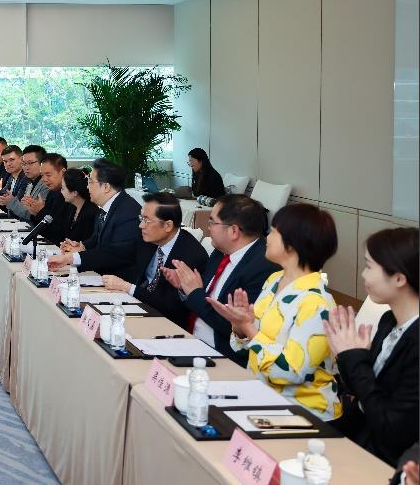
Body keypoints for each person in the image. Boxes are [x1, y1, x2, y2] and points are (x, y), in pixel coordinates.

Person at [209, 203, 343, 421]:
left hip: (303, 413)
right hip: (263, 397)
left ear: (293, 244)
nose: (267, 238)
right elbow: (251, 346)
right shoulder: (275, 280)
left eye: (273, 232)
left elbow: (290, 372)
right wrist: (240, 327)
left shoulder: (316, 303)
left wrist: (249, 330)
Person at [324, 227, 418, 464]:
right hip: (360, 439)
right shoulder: (389, 320)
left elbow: (392, 429)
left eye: (369, 266)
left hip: (389, 461)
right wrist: (346, 357)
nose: (363, 274)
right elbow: (364, 392)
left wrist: (354, 358)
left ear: (399, 278)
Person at [163, 194, 278, 363]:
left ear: (233, 231)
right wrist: (184, 286)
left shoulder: (263, 268)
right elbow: (201, 297)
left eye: (212, 222)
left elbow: (232, 326)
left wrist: (194, 292)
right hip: (190, 339)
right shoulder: (220, 251)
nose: (208, 228)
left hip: (222, 356)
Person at [101, 193, 208, 327]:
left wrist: (127, 287)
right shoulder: (149, 239)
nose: (141, 225)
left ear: (168, 225)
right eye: (141, 218)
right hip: (138, 307)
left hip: (167, 324)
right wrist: (78, 257)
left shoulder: (192, 256)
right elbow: (115, 253)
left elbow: (170, 306)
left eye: (147, 220)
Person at [48, 159, 143, 280]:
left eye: (91, 182)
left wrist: (72, 258)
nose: (87, 186)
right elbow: (96, 238)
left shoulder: (127, 213)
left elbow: (115, 254)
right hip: (103, 273)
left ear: (106, 187)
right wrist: (81, 246)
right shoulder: (106, 206)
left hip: (119, 280)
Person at [6, 153, 66, 225]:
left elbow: (60, 228)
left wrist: (40, 211)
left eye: (48, 175)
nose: (44, 179)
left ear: (63, 172)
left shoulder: (69, 195)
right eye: (42, 175)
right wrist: (35, 211)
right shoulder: (53, 191)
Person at [46, 168, 99, 245]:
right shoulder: (71, 207)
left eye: (63, 189)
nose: (61, 192)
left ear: (74, 193)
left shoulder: (90, 213)